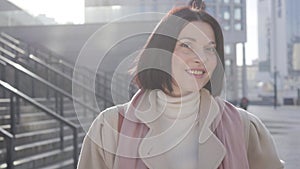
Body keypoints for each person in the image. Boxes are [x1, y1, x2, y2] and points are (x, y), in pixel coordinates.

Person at [77, 2, 284, 169]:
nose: (201, 58)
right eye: (186, 46)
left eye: (210, 49)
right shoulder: (111, 126)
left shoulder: (244, 127)